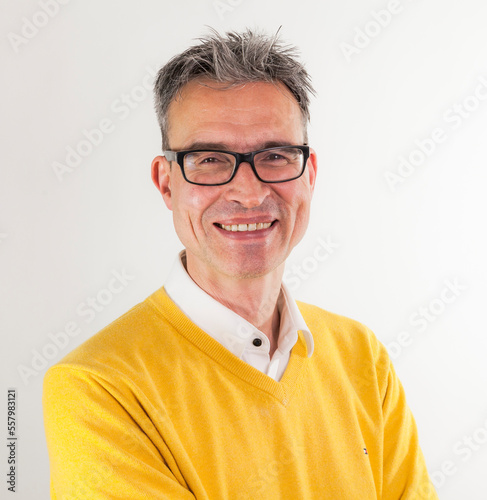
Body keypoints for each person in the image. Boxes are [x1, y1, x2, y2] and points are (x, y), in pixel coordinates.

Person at [43, 29, 438, 499]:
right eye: (209, 159)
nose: (249, 193)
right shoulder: (97, 388)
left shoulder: (362, 356)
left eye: (274, 155)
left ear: (308, 176)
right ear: (167, 184)